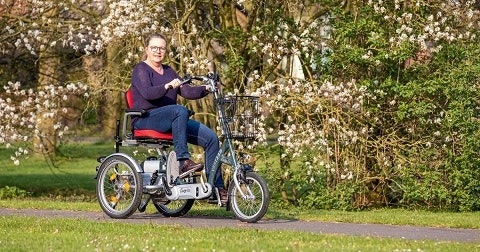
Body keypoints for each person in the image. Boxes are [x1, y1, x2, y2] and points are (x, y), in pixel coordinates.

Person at [130, 33, 227, 203]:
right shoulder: (141, 69)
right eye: (154, 48)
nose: (158, 51)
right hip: (146, 117)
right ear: (147, 49)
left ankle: (216, 188)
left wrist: (206, 88)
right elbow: (147, 93)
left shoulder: (169, 71)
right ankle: (183, 161)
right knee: (179, 110)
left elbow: (187, 91)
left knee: (211, 138)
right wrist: (167, 86)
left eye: (162, 48)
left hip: (172, 119)